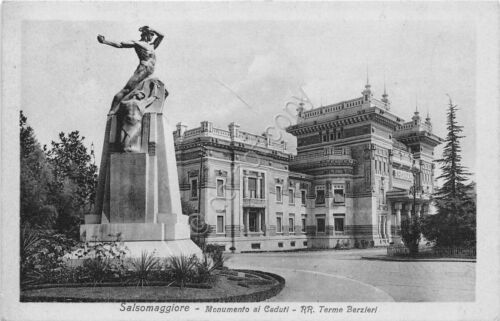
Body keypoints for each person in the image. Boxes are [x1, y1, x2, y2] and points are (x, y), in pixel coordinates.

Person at [97, 26, 164, 114]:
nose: (152, 37)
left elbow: (161, 36)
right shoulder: (136, 43)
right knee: (127, 89)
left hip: (150, 72)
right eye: (151, 35)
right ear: (145, 34)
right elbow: (120, 44)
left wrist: (152, 29)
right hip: (143, 69)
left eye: (153, 35)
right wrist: (105, 41)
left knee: (158, 87)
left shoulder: (152, 46)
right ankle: (112, 110)